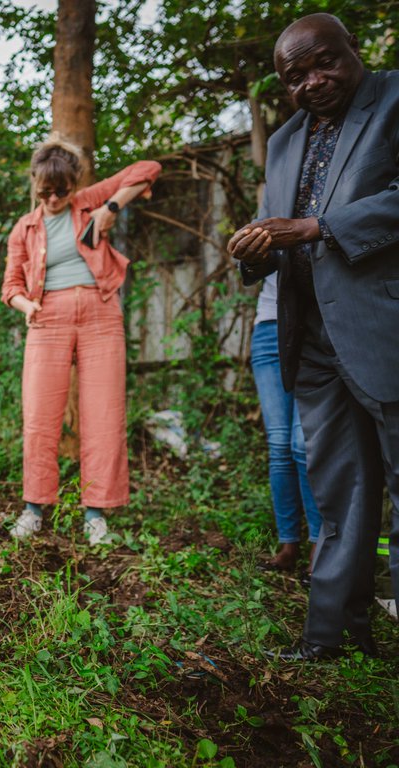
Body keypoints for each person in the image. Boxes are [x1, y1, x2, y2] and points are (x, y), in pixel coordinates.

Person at [229, 13, 399, 662]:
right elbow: (276, 230)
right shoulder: (285, 141)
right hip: (314, 342)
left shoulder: (393, 98)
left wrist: (316, 227)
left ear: (352, 48)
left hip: (385, 329)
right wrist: (255, 249)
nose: (312, 82)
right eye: (294, 77)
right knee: (338, 493)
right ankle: (333, 638)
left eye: (323, 62)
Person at [2, 135, 160, 544]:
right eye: (45, 192)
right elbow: (11, 285)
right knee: (39, 417)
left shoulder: (88, 201)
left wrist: (111, 208)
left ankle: (96, 514)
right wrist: (26, 305)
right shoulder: (24, 229)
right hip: (47, 318)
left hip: (100, 315)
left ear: (74, 185)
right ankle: (34, 507)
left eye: (62, 191)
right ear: (35, 184)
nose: (54, 199)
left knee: (104, 415)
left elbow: (147, 169)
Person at [250, 273, 323, 572]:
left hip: (312, 327)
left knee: (302, 444)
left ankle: (320, 544)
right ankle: (288, 545)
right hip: (268, 327)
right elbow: (245, 265)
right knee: (279, 445)